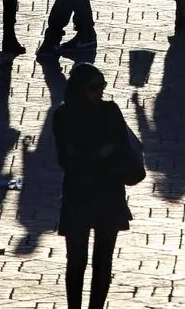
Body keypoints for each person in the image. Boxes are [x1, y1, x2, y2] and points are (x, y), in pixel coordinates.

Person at [53, 62, 136, 309]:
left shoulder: (110, 110)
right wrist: (101, 153)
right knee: (76, 259)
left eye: (102, 86)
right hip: (78, 197)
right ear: (80, 89)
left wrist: (91, 154)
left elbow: (118, 145)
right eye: (93, 87)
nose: (99, 92)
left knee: (103, 259)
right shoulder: (63, 116)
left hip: (108, 196)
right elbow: (67, 159)